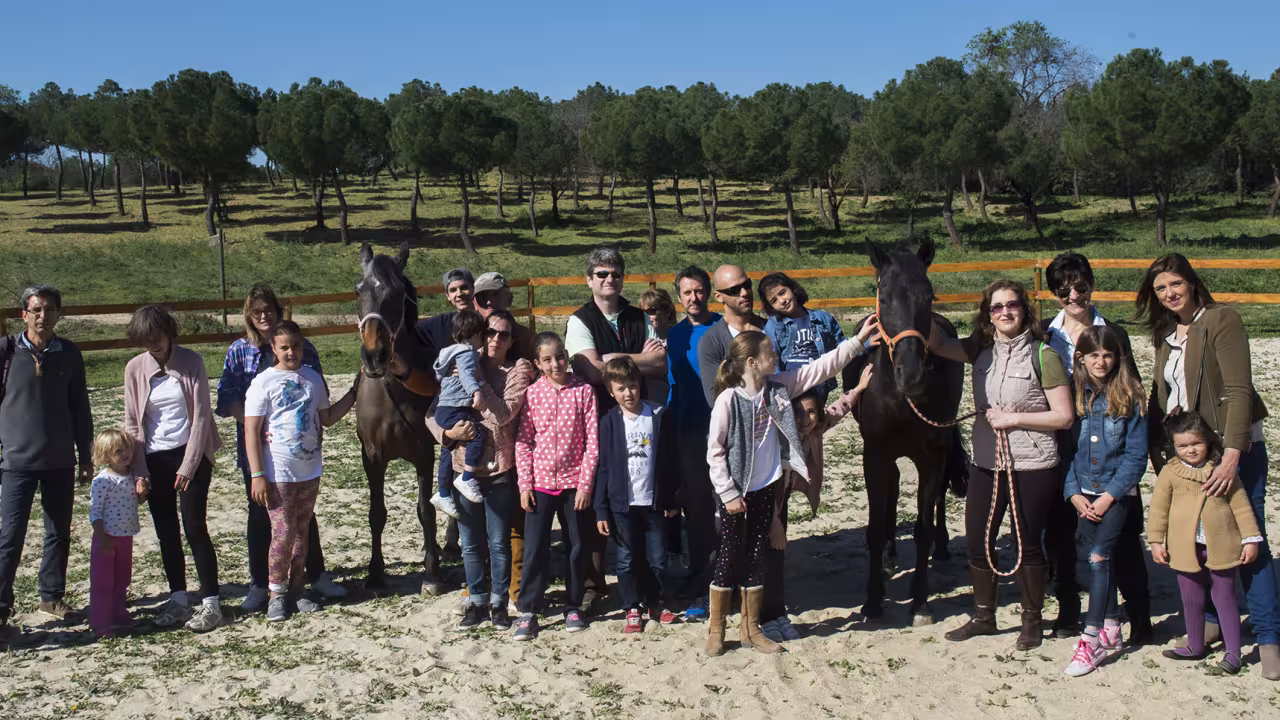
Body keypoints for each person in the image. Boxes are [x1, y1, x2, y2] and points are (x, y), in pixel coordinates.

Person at [1135, 253, 1280, 680]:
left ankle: (1270, 636)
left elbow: (1238, 389)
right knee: (1202, 542)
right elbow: (1165, 395)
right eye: (1160, 289)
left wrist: (1234, 453)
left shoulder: (1221, 320)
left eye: (1175, 284)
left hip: (1234, 452)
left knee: (1248, 542)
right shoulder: (1167, 334)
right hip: (1193, 457)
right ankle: (1216, 622)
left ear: (1192, 282)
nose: (1169, 293)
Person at [704, 325, 874, 656]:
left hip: (766, 490)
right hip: (735, 495)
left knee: (757, 558)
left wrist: (857, 342)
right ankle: (716, 629)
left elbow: (821, 367)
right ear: (752, 362)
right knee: (728, 559)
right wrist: (727, 493)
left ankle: (751, 630)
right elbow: (715, 451)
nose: (776, 356)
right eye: (770, 352)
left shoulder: (779, 389)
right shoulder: (728, 399)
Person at [931, 279, 1074, 651]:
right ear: (988, 314)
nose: (1005, 312)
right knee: (978, 541)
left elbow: (1063, 416)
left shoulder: (1045, 355)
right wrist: (915, 303)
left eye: (1012, 305)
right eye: (997, 307)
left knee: (1028, 545)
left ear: (1024, 310)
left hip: (1033, 464)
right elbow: (935, 343)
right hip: (985, 462)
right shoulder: (979, 350)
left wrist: (1015, 420)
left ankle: (1031, 620)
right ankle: (984, 616)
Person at [1040, 251, 1152, 644]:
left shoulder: (1114, 333)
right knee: (1061, 533)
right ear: (1053, 293)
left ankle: (1139, 615)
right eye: (1063, 289)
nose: (1073, 296)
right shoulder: (1044, 334)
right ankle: (1069, 609)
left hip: (1112, 446)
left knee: (1123, 533)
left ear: (1091, 285)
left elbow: (1133, 390)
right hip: (1061, 446)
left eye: (1080, 287)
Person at [215, 283, 346, 613]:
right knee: (263, 521)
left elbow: (318, 400)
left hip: (302, 457)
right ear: (249, 315)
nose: (263, 316)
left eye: (268, 310)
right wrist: (256, 430)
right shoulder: (239, 351)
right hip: (260, 454)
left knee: (302, 521)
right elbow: (226, 399)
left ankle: (310, 579)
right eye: (256, 312)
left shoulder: (306, 352)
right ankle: (263, 585)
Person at [565, 247, 665, 615]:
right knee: (599, 500)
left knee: (641, 501)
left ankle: (645, 586)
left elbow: (660, 361)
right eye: (602, 274)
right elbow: (590, 372)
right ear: (589, 279)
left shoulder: (640, 316)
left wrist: (609, 359)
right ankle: (594, 584)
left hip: (641, 421)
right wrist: (635, 361)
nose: (610, 280)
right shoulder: (579, 321)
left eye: (616, 274)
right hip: (600, 423)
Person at [426, 311, 536, 630]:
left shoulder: (518, 370)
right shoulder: (462, 360)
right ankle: (477, 600)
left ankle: (499, 602)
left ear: (512, 340)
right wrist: (447, 435)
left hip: (499, 467)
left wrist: (477, 383)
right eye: (490, 332)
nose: (495, 339)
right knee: (470, 543)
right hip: (463, 471)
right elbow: (433, 412)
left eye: (503, 334)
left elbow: (503, 414)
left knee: (499, 541)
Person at [244, 322, 358, 622]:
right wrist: (257, 474)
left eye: (295, 345)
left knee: (302, 534)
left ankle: (297, 590)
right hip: (277, 471)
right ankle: (277, 594)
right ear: (274, 349)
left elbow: (328, 417)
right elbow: (251, 431)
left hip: (309, 470)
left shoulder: (312, 379)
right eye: (284, 347)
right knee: (282, 532)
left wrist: (355, 391)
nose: (290, 352)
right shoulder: (263, 383)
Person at [0, 285, 92, 648]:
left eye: (50, 309)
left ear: (58, 314)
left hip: (59, 462)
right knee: (9, 539)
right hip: (16, 464)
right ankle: (1, 611)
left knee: (58, 532)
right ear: (24, 314)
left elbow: (80, 408)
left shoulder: (69, 353)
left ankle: (51, 597)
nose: (43, 315)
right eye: (36, 309)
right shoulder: (6, 352)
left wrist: (85, 456)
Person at [122, 305, 224, 632]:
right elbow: (133, 425)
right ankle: (178, 599)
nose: (153, 345)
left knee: (194, 526)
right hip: (154, 458)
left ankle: (211, 603)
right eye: (146, 341)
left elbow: (202, 419)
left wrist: (190, 465)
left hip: (190, 453)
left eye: (157, 338)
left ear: (169, 333)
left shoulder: (192, 362)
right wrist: (139, 472)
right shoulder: (135, 369)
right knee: (167, 531)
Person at [1060, 326, 1148, 677]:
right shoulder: (1074, 395)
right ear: (1081, 357)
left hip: (1116, 494)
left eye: (1108, 355)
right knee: (1094, 557)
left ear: (1117, 357)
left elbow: (1136, 456)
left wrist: (1110, 496)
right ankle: (1111, 623)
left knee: (1099, 557)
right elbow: (1064, 451)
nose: (1101, 361)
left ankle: (1091, 637)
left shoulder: (1131, 395)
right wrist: (1074, 493)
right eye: (1094, 355)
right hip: (1083, 494)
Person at [761, 367, 873, 643]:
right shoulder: (777, 433)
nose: (806, 419)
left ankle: (775, 613)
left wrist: (858, 389)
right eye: (800, 412)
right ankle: (763, 617)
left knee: (776, 555)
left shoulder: (817, 427)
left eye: (812, 412)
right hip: (764, 497)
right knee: (766, 555)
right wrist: (774, 519)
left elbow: (837, 409)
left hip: (781, 497)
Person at [1149, 412, 1262, 675]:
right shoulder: (1170, 472)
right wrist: (1155, 540)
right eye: (1182, 446)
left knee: (1225, 597)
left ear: (1208, 441)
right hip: (1183, 547)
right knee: (1191, 599)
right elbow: (1158, 509)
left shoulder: (1222, 470)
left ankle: (1233, 653)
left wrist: (1250, 539)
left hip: (1221, 544)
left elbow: (1241, 506)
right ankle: (1194, 645)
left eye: (1196, 443)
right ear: (1174, 446)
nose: (1190, 450)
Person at [513, 332, 598, 641]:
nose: (556, 363)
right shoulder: (533, 394)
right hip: (540, 485)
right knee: (536, 548)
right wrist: (525, 485)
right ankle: (529, 609)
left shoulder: (584, 391)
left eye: (560, 356)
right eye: (547, 359)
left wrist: (586, 484)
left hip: (574, 485)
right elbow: (523, 442)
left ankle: (573, 604)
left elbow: (593, 443)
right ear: (538, 363)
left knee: (577, 547)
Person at [594, 356, 679, 633]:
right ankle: (631, 607)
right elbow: (603, 468)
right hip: (622, 505)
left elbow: (670, 463)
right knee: (626, 558)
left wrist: (673, 498)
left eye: (632, 386)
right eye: (621, 388)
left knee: (658, 556)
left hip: (654, 502)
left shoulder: (657, 415)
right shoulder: (609, 423)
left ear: (639, 384)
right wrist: (601, 509)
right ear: (611, 392)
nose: (628, 393)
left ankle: (656, 603)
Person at [664, 266, 722, 622]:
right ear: (679, 296)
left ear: (709, 292)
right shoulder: (675, 335)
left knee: (723, 506)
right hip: (687, 430)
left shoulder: (723, 328)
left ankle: (724, 575)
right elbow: (674, 383)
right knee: (697, 509)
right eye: (687, 292)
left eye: (699, 291)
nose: (693, 298)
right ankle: (701, 576)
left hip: (721, 427)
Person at [87, 428, 149, 639]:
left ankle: (118, 612)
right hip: (106, 538)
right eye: (118, 451)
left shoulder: (132, 475)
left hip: (126, 535)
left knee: (122, 578)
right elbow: (95, 511)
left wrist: (143, 493)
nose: (125, 454)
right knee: (103, 582)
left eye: (127, 449)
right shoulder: (103, 480)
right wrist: (101, 537)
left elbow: (137, 501)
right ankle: (99, 623)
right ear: (105, 455)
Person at [430, 310, 490, 518]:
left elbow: (439, 375)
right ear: (475, 334)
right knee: (478, 434)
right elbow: (465, 374)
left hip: (443, 408)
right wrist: (476, 391)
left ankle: (443, 493)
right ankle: (467, 477)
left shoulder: (448, 353)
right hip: (456, 407)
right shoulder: (467, 353)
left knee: (448, 448)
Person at [760, 272, 846, 401]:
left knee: (815, 419)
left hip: (820, 382)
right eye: (774, 300)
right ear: (770, 306)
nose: (782, 301)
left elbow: (842, 345)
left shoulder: (822, 318)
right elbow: (773, 361)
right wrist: (779, 390)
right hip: (792, 386)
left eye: (782, 292)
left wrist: (864, 343)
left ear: (793, 289)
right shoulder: (774, 325)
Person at [698, 265, 768, 407]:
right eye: (734, 290)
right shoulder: (712, 341)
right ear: (719, 297)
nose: (744, 293)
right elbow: (715, 398)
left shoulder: (771, 329)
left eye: (747, 285)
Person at [417, 268, 477, 351]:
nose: (459, 294)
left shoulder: (488, 320)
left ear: (474, 289)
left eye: (464, 288)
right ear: (448, 296)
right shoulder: (441, 324)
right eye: (453, 290)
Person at [637, 288, 676, 407]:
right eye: (643, 312)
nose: (647, 316)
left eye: (651, 311)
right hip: (648, 405)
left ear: (667, 311)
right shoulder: (639, 341)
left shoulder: (679, 337)